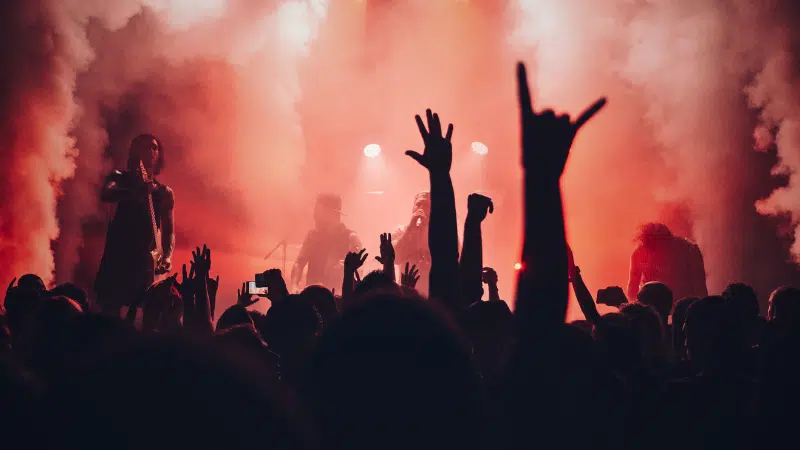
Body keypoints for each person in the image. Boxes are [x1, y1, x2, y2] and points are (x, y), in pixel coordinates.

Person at [94, 134, 174, 318]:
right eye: (145, 146)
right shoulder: (119, 177)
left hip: (144, 259)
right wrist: (134, 191)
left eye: (154, 147)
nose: (150, 151)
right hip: (118, 255)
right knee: (110, 310)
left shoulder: (164, 192)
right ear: (134, 151)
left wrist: (167, 256)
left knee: (142, 312)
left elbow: (168, 230)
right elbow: (106, 193)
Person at [291, 194, 361, 291]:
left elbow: (359, 271)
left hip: (338, 299)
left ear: (332, 214)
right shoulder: (312, 236)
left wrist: (345, 267)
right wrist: (294, 285)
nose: (314, 215)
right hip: (312, 297)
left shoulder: (350, 238)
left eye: (319, 212)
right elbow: (299, 262)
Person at [626, 223, 707, 303]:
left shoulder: (689, 251)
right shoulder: (640, 251)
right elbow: (632, 289)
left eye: (657, 248)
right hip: (652, 308)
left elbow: (700, 289)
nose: (654, 254)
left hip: (682, 309)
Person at [392, 192, 431, 295]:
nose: (421, 208)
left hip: (433, 298)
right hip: (407, 296)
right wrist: (410, 227)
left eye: (426, 204)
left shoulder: (443, 234)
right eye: (418, 204)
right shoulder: (400, 231)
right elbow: (394, 257)